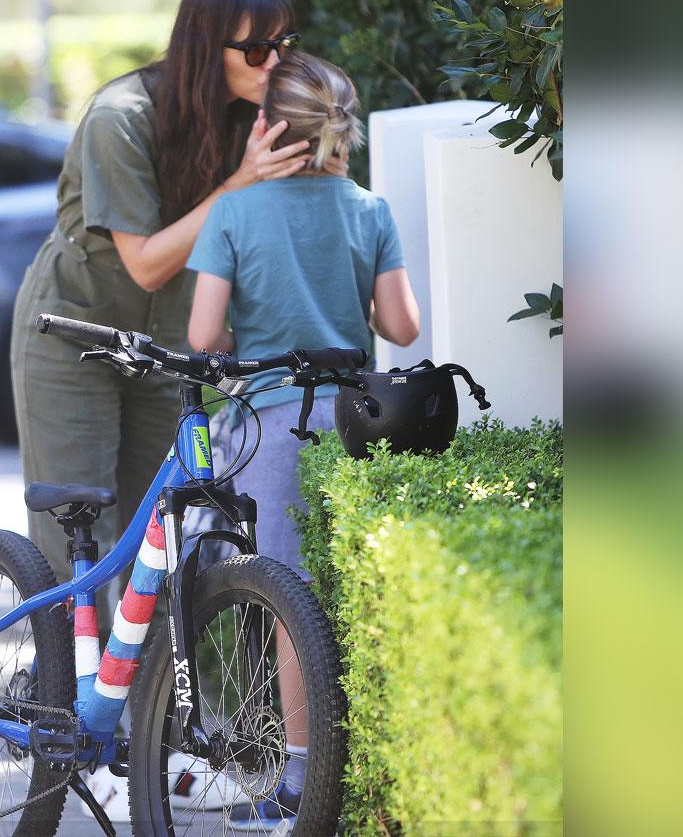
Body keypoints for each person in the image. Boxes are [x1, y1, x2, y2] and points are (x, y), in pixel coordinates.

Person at [10, 0, 346, 627]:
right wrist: (244, 182)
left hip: (160, 350)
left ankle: (157, 727)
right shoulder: (122, 118)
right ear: (205, 48)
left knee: (161, 550)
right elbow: (147, 266)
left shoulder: (252, 122)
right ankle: (64, 708)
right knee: (76, 547)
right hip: (73, 337)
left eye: (285, 44)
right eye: (257, 51)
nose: (276, 63)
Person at [186, 51, 421, 830]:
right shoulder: (368, 207)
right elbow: (401, 326)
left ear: (269, 127)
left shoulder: (235, 213)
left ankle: (297, 782)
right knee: (353, 587)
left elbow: (202, 334)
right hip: (359, 422)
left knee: (290, 597)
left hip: (275, 425)